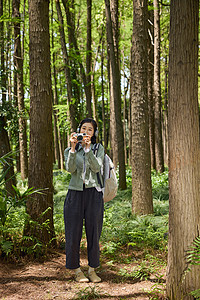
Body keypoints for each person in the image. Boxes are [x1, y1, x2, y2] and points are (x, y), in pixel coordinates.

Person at [64, 118, 104, 283]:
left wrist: (88, 150)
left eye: (90, 129)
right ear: (78, 131)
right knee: (73, 233)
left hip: (93, 194)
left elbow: (96, 168)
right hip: (75, 193)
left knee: (94, 232)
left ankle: (92, 270)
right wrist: (74, 148)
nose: (86, 132)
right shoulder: (70, 150)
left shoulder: (98, 148)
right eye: (84, 128)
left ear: (94, 133)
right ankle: (76, 270)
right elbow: (70, 169)